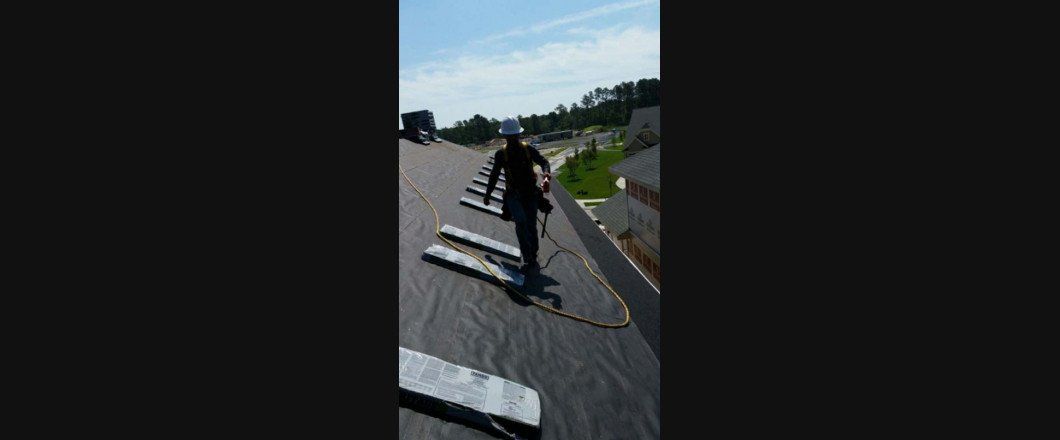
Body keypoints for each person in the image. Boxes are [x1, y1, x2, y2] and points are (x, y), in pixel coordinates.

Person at [484, 116, 551, 273]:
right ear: (505, 137)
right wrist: (487, 195)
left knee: (531, 225)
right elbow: (494, 175)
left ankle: (532, 256)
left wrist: (546, 176)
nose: (513, 139)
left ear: (518, 135)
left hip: (530, 194)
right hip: (513, 195)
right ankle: (528, 258)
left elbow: (544, 162)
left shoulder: (528, 149)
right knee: (521, 222)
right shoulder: (501, 154)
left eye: (515, 136)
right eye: (510, 136)